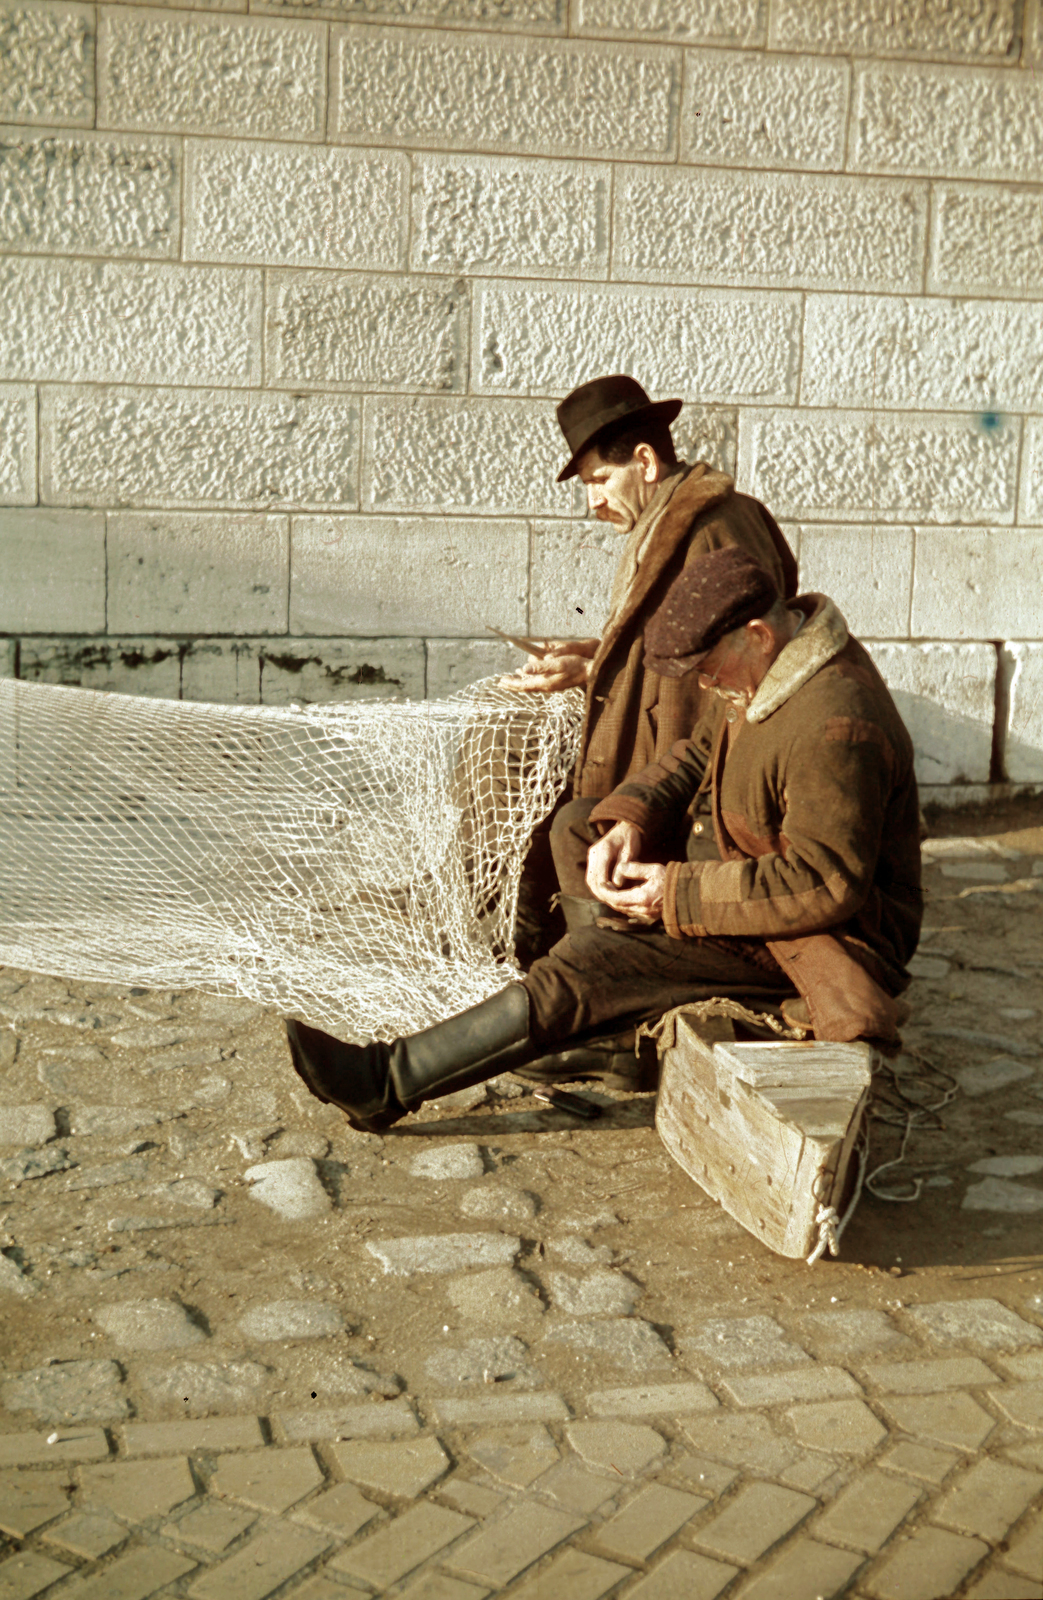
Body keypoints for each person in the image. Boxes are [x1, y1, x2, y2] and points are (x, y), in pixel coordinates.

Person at [284, 547, 922, 1133]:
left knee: (590, 963)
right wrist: (629, 822)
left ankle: (383, 1083)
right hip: (742, 878)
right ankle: (610, 1035)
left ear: (757, 634)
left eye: (706, 667)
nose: (702, 683)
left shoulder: (835, 722)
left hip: (820, 939)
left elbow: (821, 883)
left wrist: (675, 891)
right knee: (575, 828)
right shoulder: (766, 665)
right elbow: (697, 753)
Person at [505, 374, 798, 1093]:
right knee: (573, 830)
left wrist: (688, 802)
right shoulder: (666, 523)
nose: (591, 499)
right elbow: (660, 647)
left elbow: (736, 667)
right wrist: (586, 663)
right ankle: (600, 1020)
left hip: (703, 775)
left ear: (644, 460)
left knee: (581, 834)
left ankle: (609, 1024)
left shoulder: (714, 528)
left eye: (598, 478)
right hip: (672, 757)